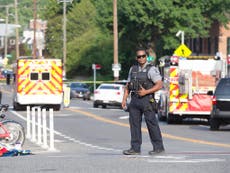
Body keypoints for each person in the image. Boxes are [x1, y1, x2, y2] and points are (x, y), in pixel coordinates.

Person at [122, 47, 165, 155]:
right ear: (136, 58)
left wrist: (146, 92)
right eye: (139, 56)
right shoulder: (133, 69)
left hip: (147, 99)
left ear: (146, 57)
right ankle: (135, 148)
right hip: (135, 100)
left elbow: (159, 84)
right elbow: (128, 85)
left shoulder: (151, 69)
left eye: (143, 56)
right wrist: (124, 99)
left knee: (152, 124)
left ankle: (158, 148)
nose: (141, 58)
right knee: (134, 125)